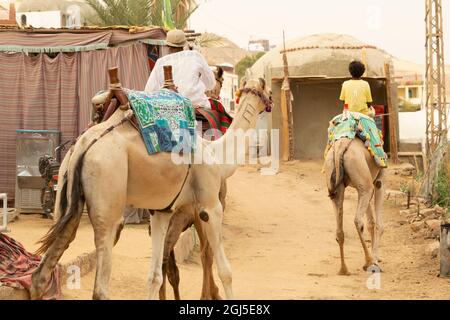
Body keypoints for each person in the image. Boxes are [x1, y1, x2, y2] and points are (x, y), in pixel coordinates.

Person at [145, 29, 216, 110]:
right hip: (197, 106)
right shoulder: (196, 56)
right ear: (184, 44)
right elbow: (211, 84)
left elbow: (149, 90)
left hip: (171, 108)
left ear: (167, 46)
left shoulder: (161, 62)